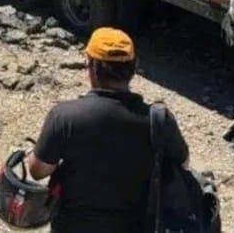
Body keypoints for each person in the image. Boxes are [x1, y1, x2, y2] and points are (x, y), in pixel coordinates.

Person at [26, 27, 189, 233]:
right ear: (134, 67)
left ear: (91, 66)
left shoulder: (65, 116)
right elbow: (182, 164)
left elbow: (37, 171)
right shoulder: (159, 120)